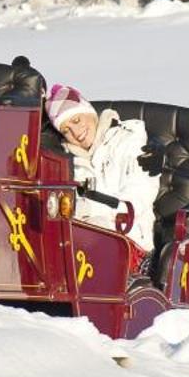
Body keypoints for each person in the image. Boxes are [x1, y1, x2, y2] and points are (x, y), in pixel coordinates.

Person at [45, 83, 162, 261]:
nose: (76, 133)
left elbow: (134, 205)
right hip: (81, 246)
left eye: (76, 120)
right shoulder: (70, 162)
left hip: (130, 243)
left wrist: (84, 209)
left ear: (89, 112)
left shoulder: (130, 141)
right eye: (66, 130)